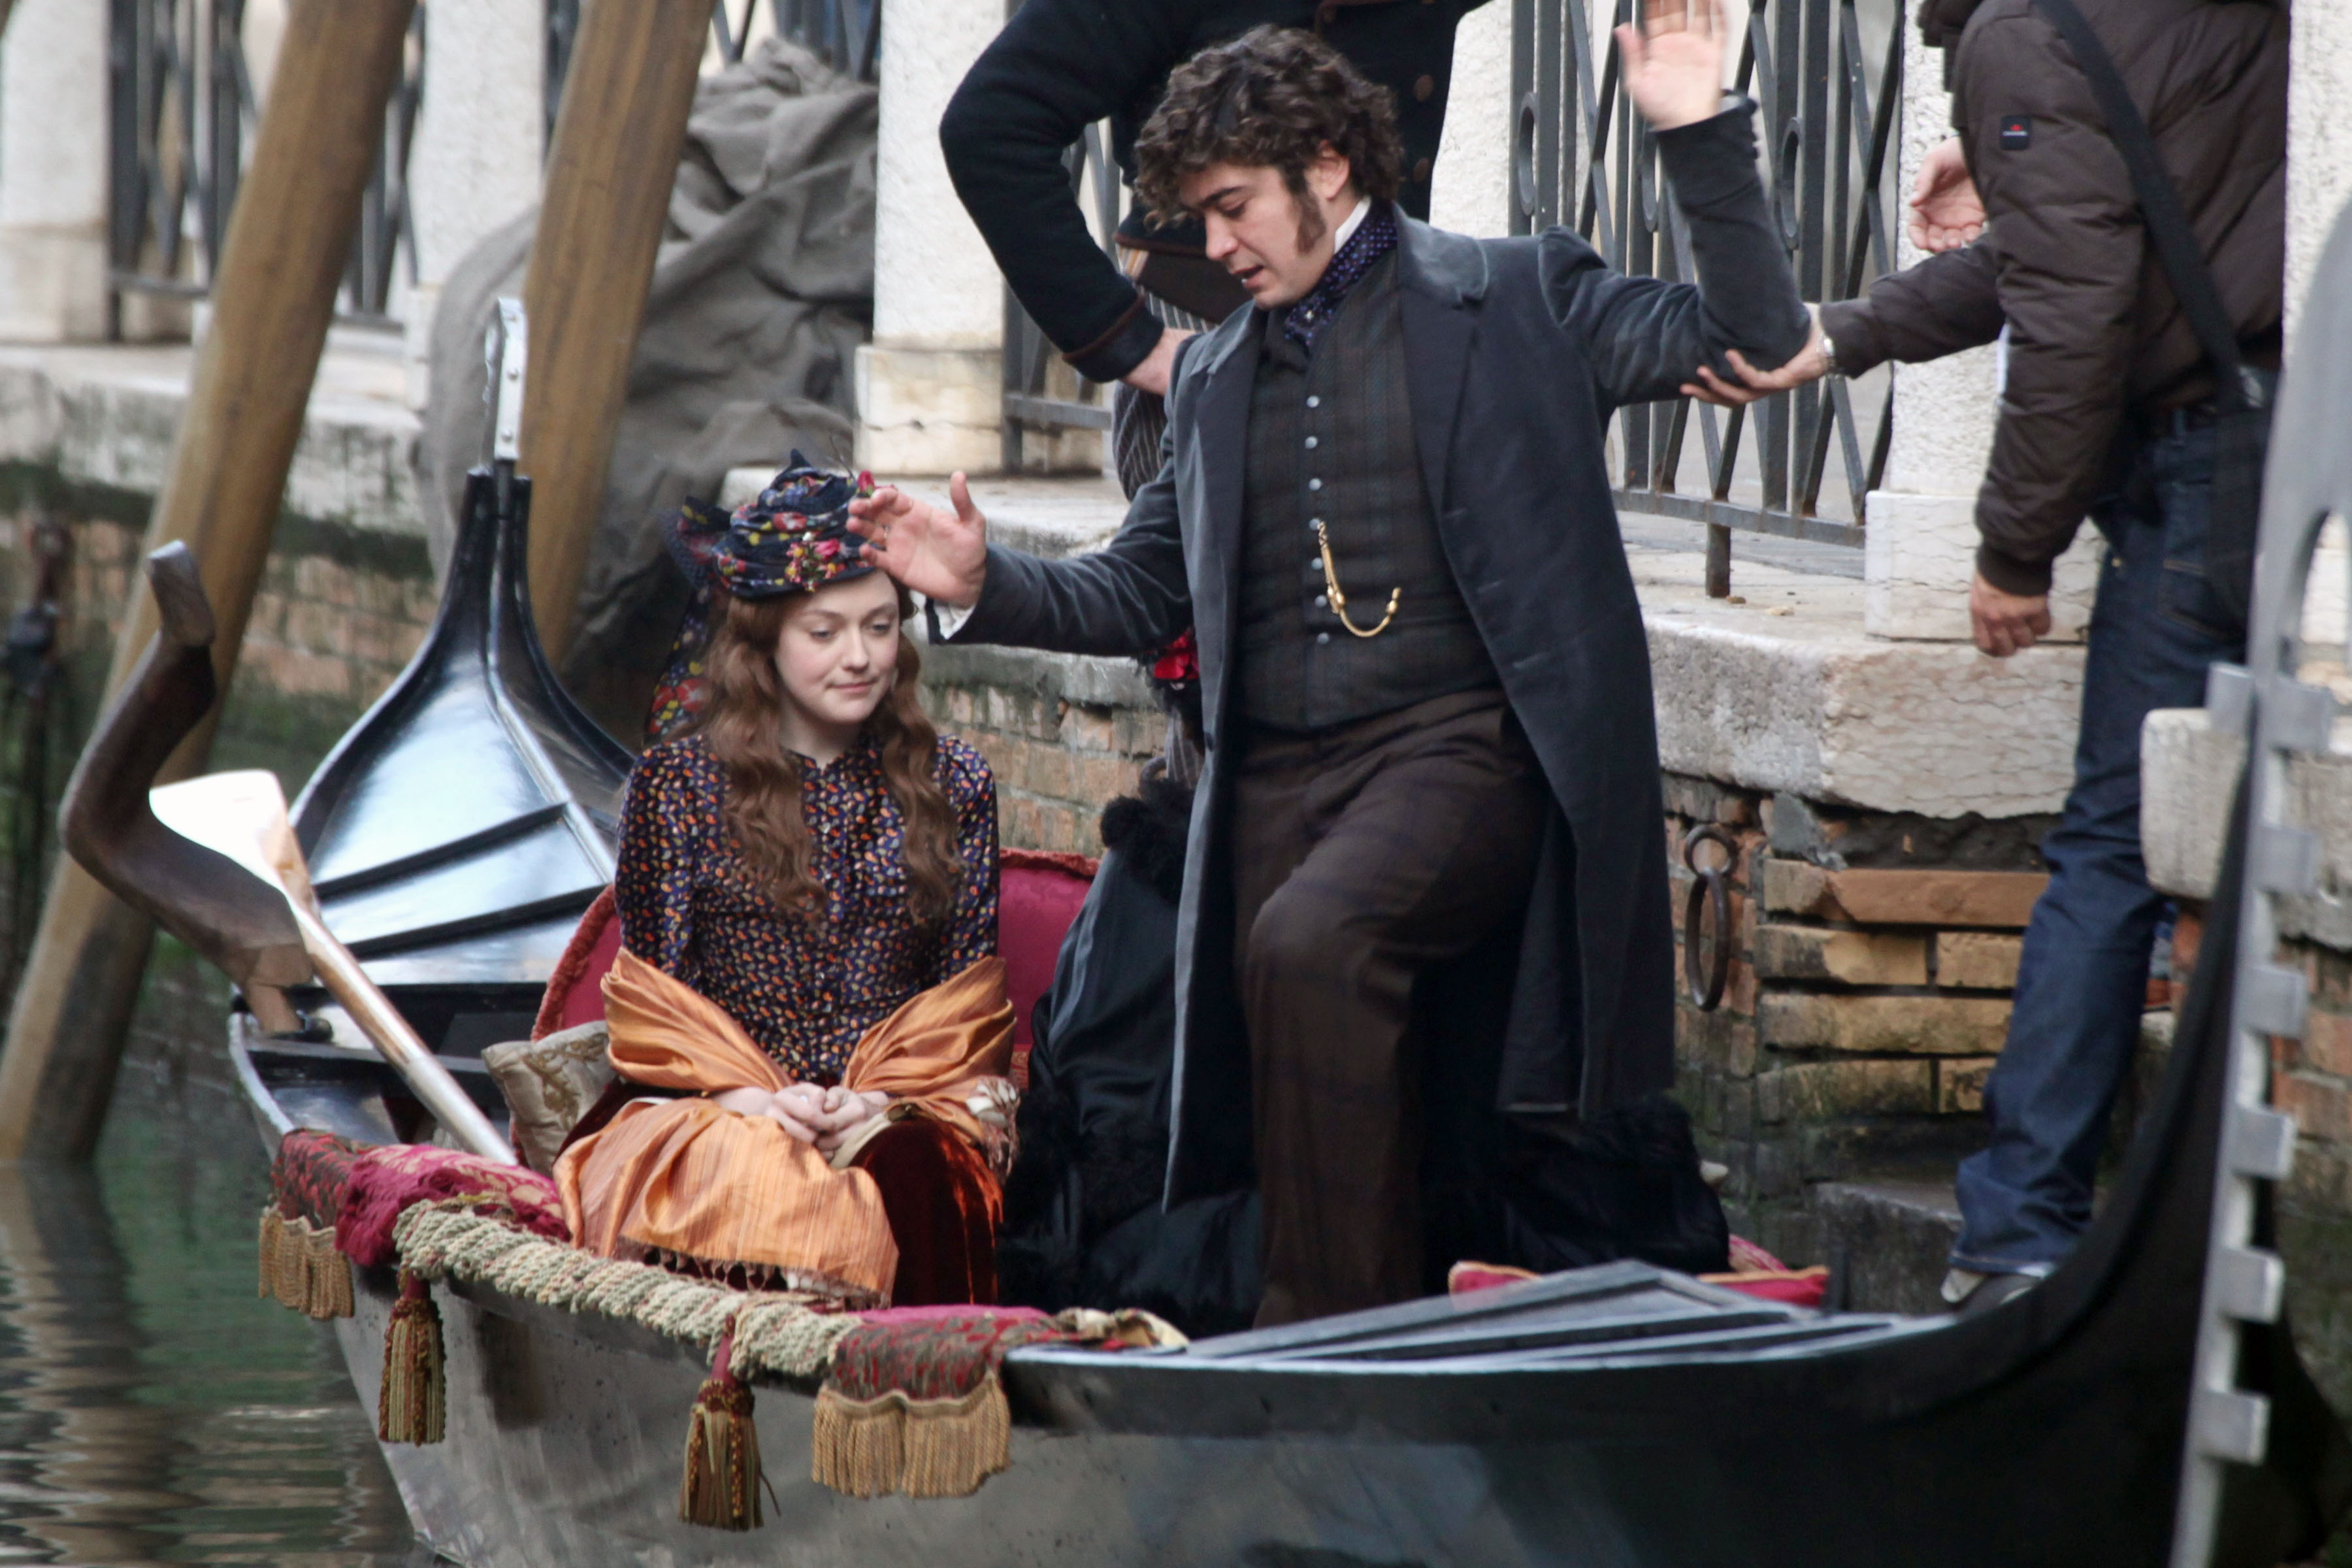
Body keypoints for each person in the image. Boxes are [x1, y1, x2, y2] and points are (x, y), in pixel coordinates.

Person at [855, 12, 1812, 1325]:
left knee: (1312, 942)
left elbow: (1756, 340)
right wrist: (982, 582)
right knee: (1254, 1039)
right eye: (1199, 216)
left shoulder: (1520, 296)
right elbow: (1141, 588)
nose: (1213, 248)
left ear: (1328, 164)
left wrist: (1699, 132)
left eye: (1233, 209)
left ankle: (1331, 1335)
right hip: (1270, 780)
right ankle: (1333, 1332)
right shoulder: (1211, 379)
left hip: (1459, 752)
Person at [1697, 0, 2285, 1310]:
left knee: (2114, 849)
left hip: (2208, 471)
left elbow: (2074, 311)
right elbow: (2086, 243)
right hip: (2274, 443)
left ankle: (2019, 1230)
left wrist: (2015, 551)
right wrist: (1846, 334)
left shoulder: (2026, 34)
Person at [554, 463, 1018, 1307]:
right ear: (763, 642)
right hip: (722, 1104)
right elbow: (663, 1011)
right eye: (825, 632)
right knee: (758, 1177)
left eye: (880, 627)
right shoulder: (677, 786)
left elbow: (963, 1007)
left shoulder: (955, 782)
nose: (860, 657)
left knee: (922, 1171)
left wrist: (875, 1101)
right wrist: (758, 1101)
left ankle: (917, 1377)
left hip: (902, 1103)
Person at [939, 0, 1494, 494]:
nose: (1218, 242)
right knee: (1203, 565)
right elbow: (990, 125)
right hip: (1205, 324)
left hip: (1380, 327)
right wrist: (1128, 341)